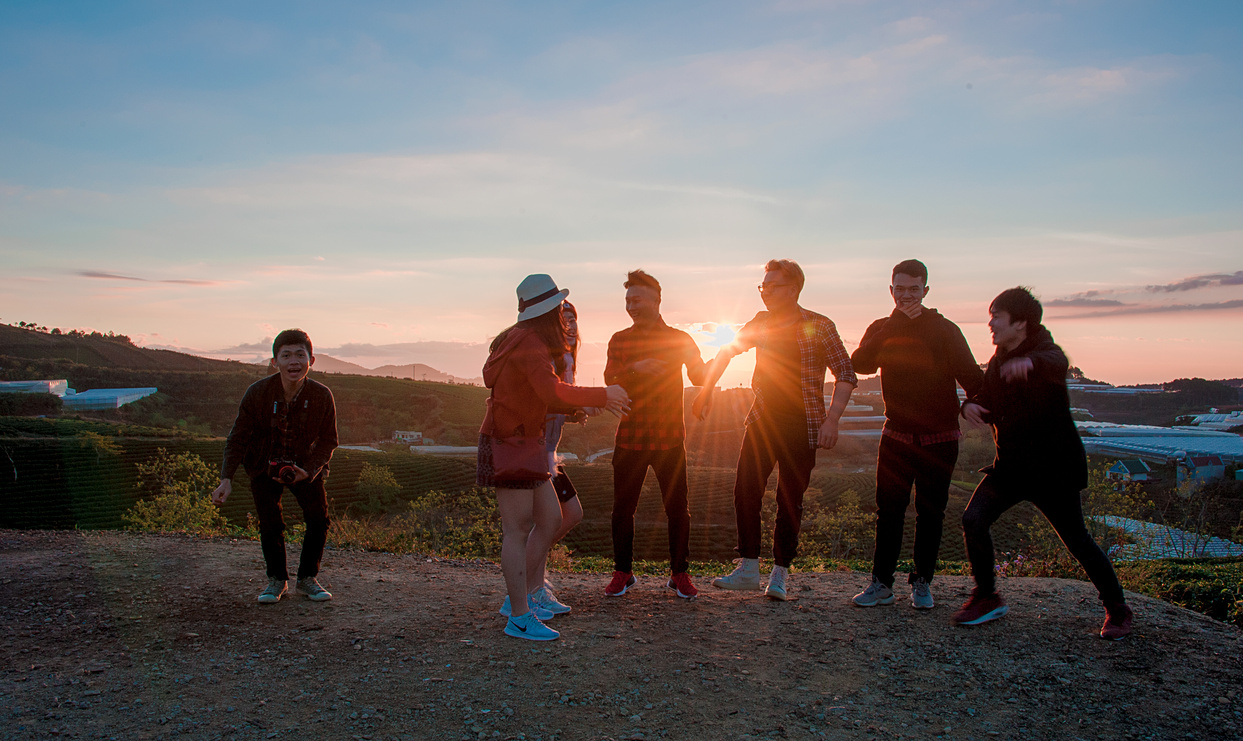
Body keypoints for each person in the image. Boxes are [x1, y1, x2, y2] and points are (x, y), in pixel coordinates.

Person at [957, 287, 1133, 639]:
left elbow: (1056, 362)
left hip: (1053, 471)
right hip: (1011, 468)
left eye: (997, 317)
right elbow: (988, 399)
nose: (990, 324)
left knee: (1077, 540)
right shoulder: (999, 359)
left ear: (1020, 323)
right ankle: (987, 596)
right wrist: (970, 405)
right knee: (973, 520)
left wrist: (1030, 363)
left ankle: (1118, 609)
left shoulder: (1045, 352)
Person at [692, 259, 857, 600]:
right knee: (745, 491)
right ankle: (749, 568)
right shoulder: (761, 322)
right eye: (762, 286)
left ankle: (780, 574)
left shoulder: (819, 325)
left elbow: (845, 373)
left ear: (793, 289)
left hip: (804, 425)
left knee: (789, 500)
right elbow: (727, 351)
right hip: (763, 421)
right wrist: (706, 390)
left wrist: (832, 419)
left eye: (772, 286)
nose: (765, 292)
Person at [478, 274, 630, 641]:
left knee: (550, 518)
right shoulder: (530, 343)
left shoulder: (520, 339)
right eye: (560, 310)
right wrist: (602, 394)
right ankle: (518, 616)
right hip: (510, 443)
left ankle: (527, 598)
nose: (564, 317)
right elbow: (550, 390)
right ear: (548, 313)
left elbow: (540, 395)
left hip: (525, 442)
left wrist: (584, 404)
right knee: (516, 530)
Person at [850, 260, 984, 610]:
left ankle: (922, 582)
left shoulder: (946, 330)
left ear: (925, 291)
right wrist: (893, 324)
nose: (906, 296)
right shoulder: (881, 327)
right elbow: (860, 363)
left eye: (913, 289)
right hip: (896, 436)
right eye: (900, 289)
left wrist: (972, 403)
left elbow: (973, 377)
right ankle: (881, 584)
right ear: (890, 290)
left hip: (940, 440)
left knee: (931, 513)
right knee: (888, 513)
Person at [211, 329, 338, 604]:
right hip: (263, 465)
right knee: (270, 523)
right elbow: (238, 437)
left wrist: (310, 470)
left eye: (300, 355)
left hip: (305, 466)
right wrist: (226, 478)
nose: (294, 361)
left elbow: (329, 440)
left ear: (311, 360)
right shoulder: (257, 393)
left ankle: (307, 579)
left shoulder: (322, 395)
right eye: (286, 355)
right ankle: (277, 580)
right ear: (274, 361)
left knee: (318, 520)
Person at [603, 270, 708, 600]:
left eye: (636, 300)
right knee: (622, 510)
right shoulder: (619, 340)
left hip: (669, 438)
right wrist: (637, 367)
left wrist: (723, 358)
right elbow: (609, 379)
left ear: (656, 300)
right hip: (629, 437)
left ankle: (679, 574)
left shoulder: (679, 339)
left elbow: (700, 375)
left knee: (677, 510)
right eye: (627, 301)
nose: (630, 306)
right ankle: (623, 572)